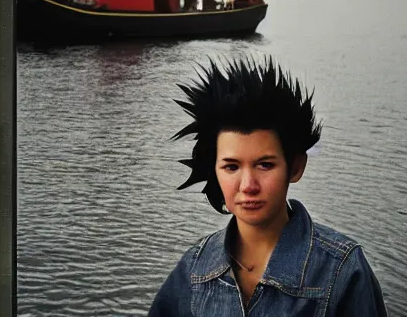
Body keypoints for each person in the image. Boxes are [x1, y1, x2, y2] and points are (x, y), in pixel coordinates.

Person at [147, 56, 388, 316]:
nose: (248, 186)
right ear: (214, 171)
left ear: (295, 167)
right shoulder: (194, 269)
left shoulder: (343, 270)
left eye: (265, 165)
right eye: (231, 167)